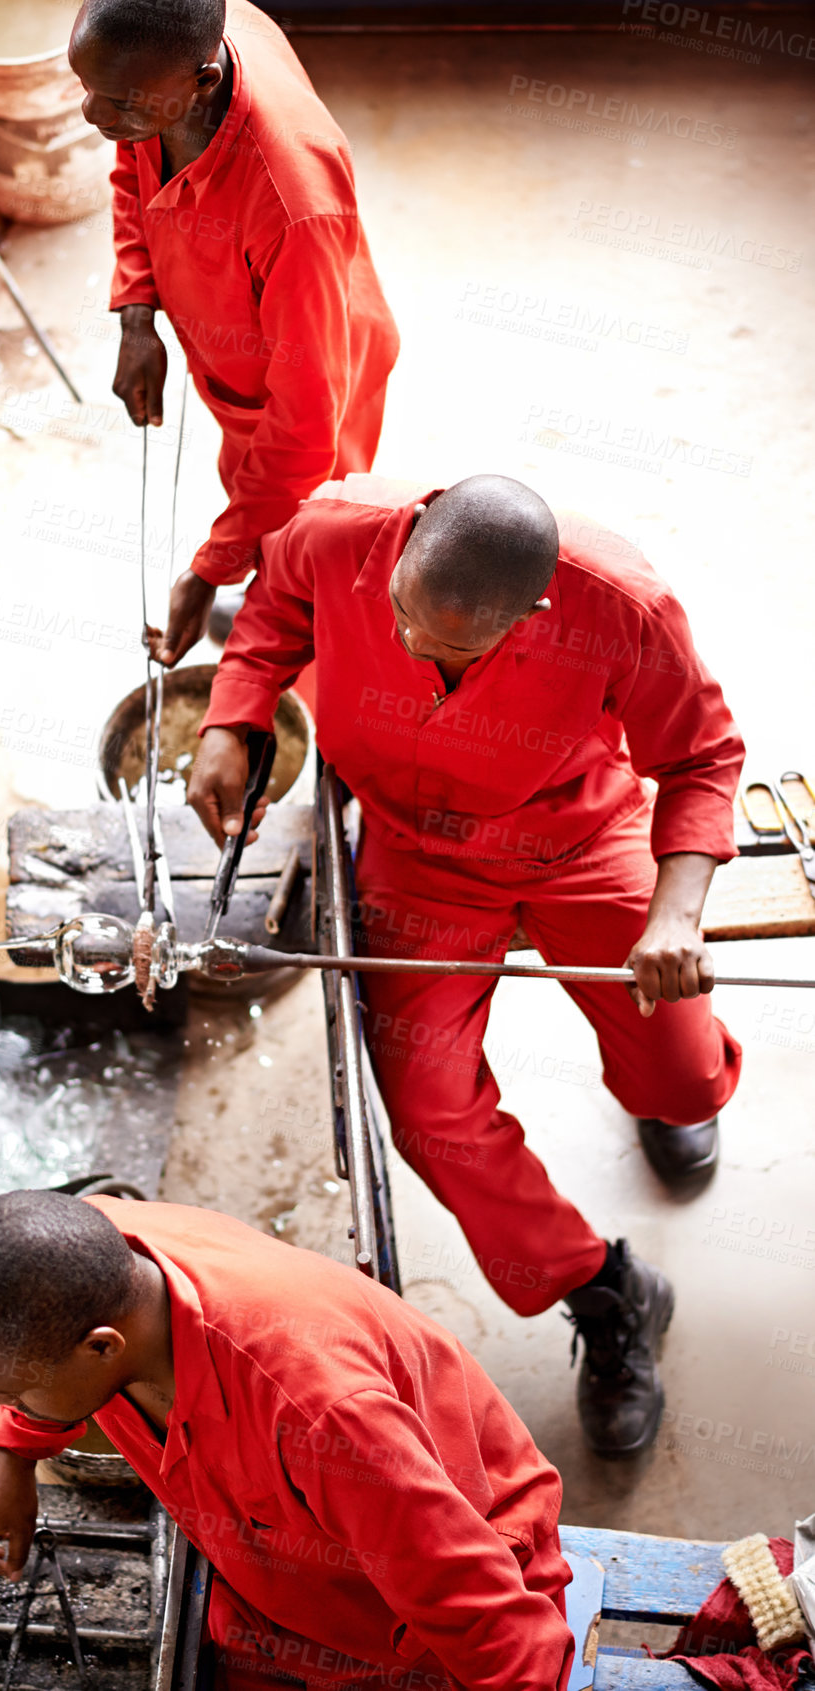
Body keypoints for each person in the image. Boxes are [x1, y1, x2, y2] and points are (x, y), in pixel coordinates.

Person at [189, 473, 744, 1458]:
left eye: (447, 648)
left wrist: (677, 915)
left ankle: (670, 1090)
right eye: (402, 618)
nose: (408, 648)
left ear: (531, 614)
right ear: (401, 552)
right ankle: (606, 1290)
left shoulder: (622, 606)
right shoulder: (334, 534)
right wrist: (233, 719)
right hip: (416, 856)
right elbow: (275, 610)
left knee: (684, 1072)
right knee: (433, 1119)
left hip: (577, 837)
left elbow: (702, 759)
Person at [0, 1189, 577, 1691]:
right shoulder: (101, 1253)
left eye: (13, 1395)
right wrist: (9, 1455)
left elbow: (491, 1621)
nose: (4, 1407)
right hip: (290, 1589)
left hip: (438, 1597)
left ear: (103, 1347)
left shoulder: (321, 1419)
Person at [67, 0, 400, 667]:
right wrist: (136, 311)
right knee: (261, 516)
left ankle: (313, 673)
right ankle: (267, 588)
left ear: (204, 83)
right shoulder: (174, 46)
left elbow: (303, 431)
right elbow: (134, 165)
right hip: (242, 352)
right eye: (87, 88)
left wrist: (208, 566)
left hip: (314, 379)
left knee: (318, 541)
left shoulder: (292, 206)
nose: (92, 116)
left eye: (117, 102)